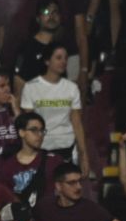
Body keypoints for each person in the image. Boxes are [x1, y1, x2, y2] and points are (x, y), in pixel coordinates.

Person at [19, 43, 89, 178]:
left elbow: (76, 122)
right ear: (47, 61)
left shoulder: (71, 88)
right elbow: (29, 122)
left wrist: (83, 154)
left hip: (66, 146)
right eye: (58, 58)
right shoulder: (31, 87)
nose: (63, 61)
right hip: (41, 147)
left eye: (65, 58)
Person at [0, 112, 64, 204]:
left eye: (42, 130)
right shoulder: (7, 167)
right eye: (34, 130)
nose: (40, 134)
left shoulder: (54, 161)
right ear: (21, 132)